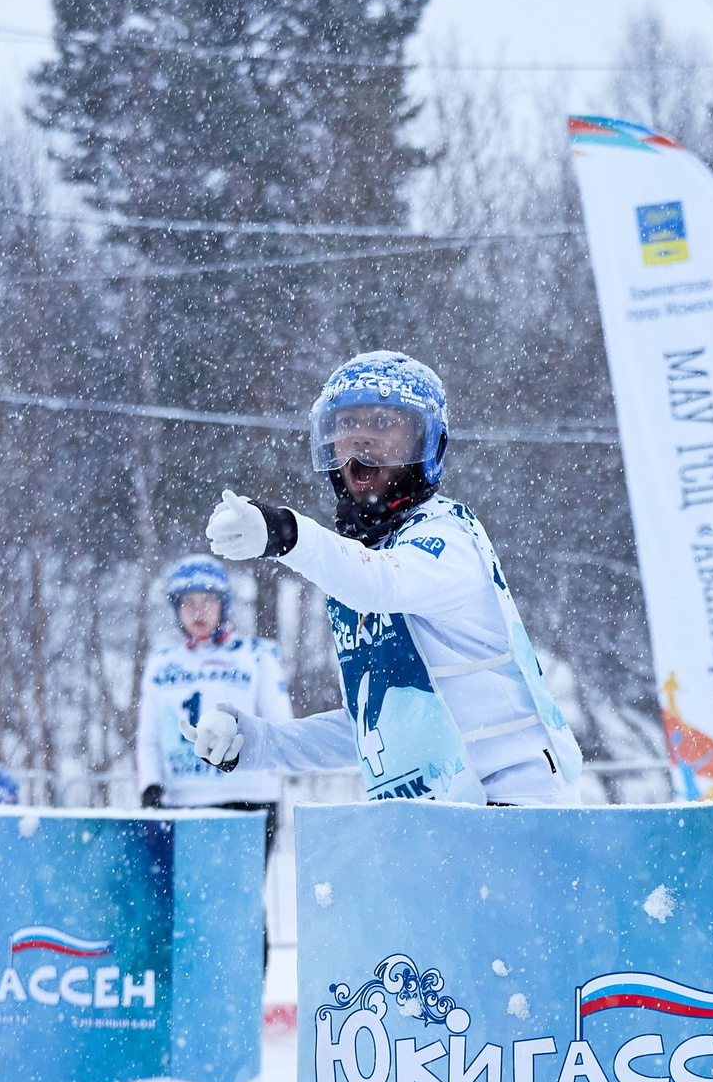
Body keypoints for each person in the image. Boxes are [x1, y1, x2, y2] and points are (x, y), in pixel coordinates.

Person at [181, 351, 583, 806]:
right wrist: (261, 744)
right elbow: (382, 724)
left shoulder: (447, 538)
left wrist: (287, 532)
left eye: (383, 423)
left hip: (519, 809)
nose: (360, 442)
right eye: (346, 424)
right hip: (439, 824)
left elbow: (382, 583)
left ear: (426, 445)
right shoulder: (361, 563)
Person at [136, 554, 295, 839]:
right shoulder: (160, 662)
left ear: (224, 604)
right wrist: (150, 785)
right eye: (188, 602)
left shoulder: (258, 656)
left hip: (249, 798)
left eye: (208, 601)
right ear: (176, 607)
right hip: (180, 801)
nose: (199, 612)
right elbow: (149, 735)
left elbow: (281, 726)